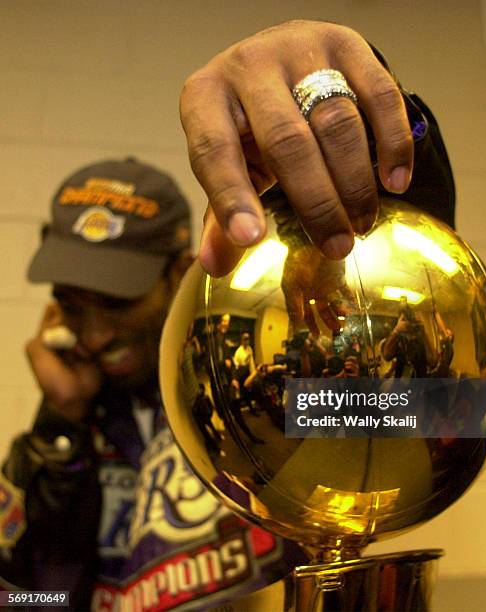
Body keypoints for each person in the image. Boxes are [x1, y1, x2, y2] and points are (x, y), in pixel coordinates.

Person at [0, 19, 455, 611]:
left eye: (117, 300)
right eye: (74, 300)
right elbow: (43, 603)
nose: (96, 331)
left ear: (179, 273)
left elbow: (445, 405)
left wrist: (381, 130)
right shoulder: (60, 430)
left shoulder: (259, 391)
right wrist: (59, 434)